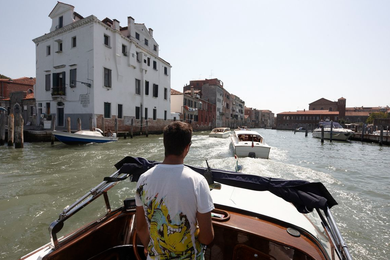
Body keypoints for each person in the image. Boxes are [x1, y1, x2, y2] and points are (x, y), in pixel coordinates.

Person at [135, 121, 215, 259]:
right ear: (187, 148)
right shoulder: (198, 181)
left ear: (165, 144)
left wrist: (151, 247)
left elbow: (140, 227)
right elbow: (207, 238)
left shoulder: (143, 179)